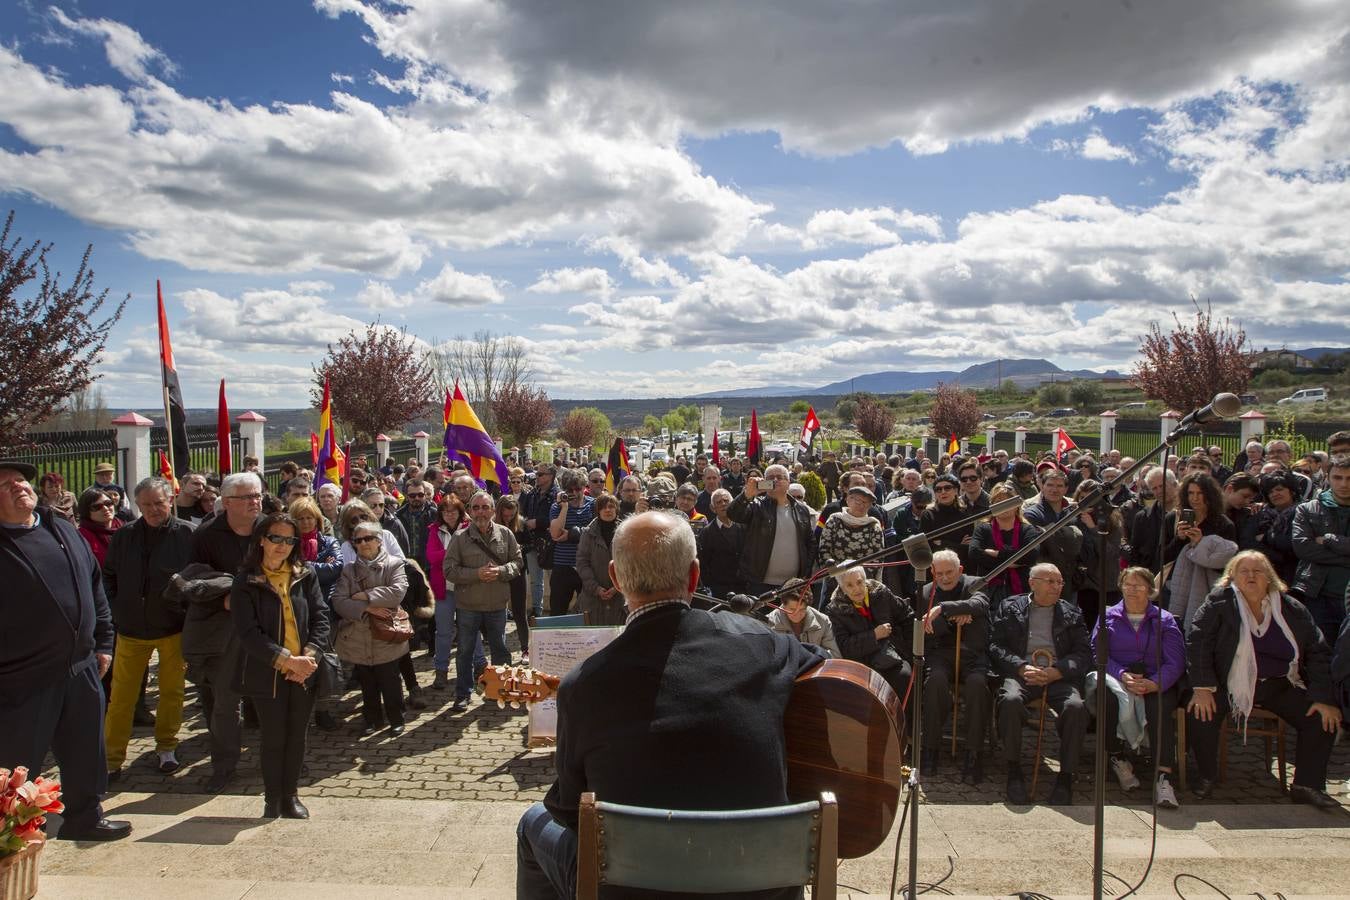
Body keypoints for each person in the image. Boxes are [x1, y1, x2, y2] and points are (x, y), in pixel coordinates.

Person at [516, 511, 825, 899]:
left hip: (634, 887)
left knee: (534, 822)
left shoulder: (583, 685)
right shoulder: (763, 645)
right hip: (761, 886)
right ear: (695, 576)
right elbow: (831, 670)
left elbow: (566, 810)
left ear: (615, 577)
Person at [0, 460, 130, 841]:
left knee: (85, 750)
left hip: (80, 666)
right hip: (22, 675)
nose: (18, 487)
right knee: (17, 763)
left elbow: (94, 588)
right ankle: (11, 835)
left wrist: (104, 642)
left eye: (21, 480)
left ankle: (85, 818)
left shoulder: (60, 527)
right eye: (5, 484)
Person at [1186, 551, 1340, 809]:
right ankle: (1206, 776)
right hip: (1229, 683)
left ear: (1269, 577)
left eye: (1258, 571)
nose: (1251, 576)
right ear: (1231, 577)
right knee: (1201, 712)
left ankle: (1307, 785)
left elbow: (1318, 651)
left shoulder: (1291, 609)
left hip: (1278, 683)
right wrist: (1202, 688)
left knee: (1322, 719)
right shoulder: (1218, 603)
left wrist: (1322, 697)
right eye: (1243, 571)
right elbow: (1198, 642)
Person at [230, 512, 329, 819]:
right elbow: (248, 633)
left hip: (305, 670)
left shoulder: (304, 573)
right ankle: (272, 798)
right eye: (276, 538)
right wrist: (286, 661)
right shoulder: (246, 581)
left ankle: (291, 795)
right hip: (268, 671)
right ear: (261, 539)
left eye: (289, 540)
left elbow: (321, 618)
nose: (282, 546)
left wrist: (308, 657)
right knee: (273, 737)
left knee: (297, 735)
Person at [102, 477, 196, 780]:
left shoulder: (188, 535)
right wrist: (117, 608)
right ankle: (111, 758)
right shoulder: (124, 535)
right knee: (121, 698)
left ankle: (167, 747)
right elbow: (109, 575)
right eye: (147, 505)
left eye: (159, 503)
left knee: (172, 693)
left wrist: (184, 609)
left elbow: (201, 579)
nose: (154, 510)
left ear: (170, 500)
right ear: (137, 505)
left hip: (172, 629)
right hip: (130, 629)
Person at [989, 562, 1091, 805]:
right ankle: (1013, 770)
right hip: (1022, 673)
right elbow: (995, 646)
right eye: (1050, 581)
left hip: (1057, 676)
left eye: (1059, 582)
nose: (1056, 587)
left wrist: (1058, 671)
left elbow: (1083, 653)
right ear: (1032, 583)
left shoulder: (1071, 613)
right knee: (1010, 701)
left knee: (1076, 707)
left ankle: (1066, 776)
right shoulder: (1011, 607)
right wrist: (1021, 667)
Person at [187, 471, 263, 794]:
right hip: (224, 630)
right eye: (248, 497)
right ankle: (224, 766)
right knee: (224, 703)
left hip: (266, 625)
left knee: (272, 700)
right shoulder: (206, 535)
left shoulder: (273, 528)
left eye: (258, 495)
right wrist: (225, 595)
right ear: (228, 502)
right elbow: (193, 579)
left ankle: (281, 760)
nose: (255, 501)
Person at [1087, 567, 1185, 809]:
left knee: (1159, 706)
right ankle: (1116, 756)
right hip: (1118, 677)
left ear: (1151, 590)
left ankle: (1163, 775)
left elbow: (1176, 660)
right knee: (1106, 699)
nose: (1132, 590)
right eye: (1128, 585)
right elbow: (1098, 653)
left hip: (1155, 679)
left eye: (1139, 585)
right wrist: (1122, 675)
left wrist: (1155, 683)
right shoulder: (1107, 615)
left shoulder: (1165, 619)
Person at [916, 550, 993, 783]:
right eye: (939, 574)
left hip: (973, 653)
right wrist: (959, 612)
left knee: (978, 685)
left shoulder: (975, 583)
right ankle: (930, 748)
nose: (945, 578)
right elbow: (928, 629)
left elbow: (979, 604)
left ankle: (974, 752)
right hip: (941, 653)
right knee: (934, 682)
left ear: (960, 570)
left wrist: (944, 609)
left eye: (950, 572)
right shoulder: (925, 592)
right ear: (932, 572)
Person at [445, 491, 523, 712]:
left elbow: (517, 562)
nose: (480, 512)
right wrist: (475, 574)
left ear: (492, 510)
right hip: (468, 606)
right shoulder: (460, 538)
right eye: (476, 507)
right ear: (469, 511)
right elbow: (449, 570)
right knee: (465, 652)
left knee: (500, 650)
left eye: (485, 507)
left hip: (496, 605)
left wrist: (501, 571)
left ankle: (498, 689)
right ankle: (463, 694)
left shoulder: (506, 534)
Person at [333, 520, 409, 737]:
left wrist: (364, 595)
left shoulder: (394, 564)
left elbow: (397, 593)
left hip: (387, 633)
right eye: (359, 540)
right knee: (367, 682)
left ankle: (396, 718)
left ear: (378, 540)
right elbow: (339, 601)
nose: (364, 543)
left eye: (368, 538)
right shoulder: (348, 570)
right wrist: (368, 608)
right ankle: (371, 719)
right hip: (359, 635)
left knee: (390, 679)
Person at [826, 564, 915, 698]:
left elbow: (907, 616)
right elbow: (845, 647)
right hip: (862, 664)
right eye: (849, 585)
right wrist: (874, 635)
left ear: (865, 580)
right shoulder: (835, 610)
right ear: (842, 589)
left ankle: (904, 719)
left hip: (892, 656)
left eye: (859, 582)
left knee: (905, 676)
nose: (857, 589)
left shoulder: (880, 592)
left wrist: (908, 649)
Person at [727, 464, 817, 595]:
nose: (775, 480)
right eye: (770, 477)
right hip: (759, 584)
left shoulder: (801, 509)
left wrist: (805, 573)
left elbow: (810, 542)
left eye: (780, 477)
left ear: (789, 481)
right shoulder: (756, 506)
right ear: (764, 482)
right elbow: (733, 514)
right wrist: (747, 495)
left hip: (793, 584)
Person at [1163, 473, 1237, 629]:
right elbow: (1163, 557)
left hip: (1208, 588)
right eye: (1191, 493)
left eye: (1199, 493)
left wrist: (1200, 544)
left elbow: (1227, 564)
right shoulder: (1173, 518)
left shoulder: (1223, 524)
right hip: (1175, 587)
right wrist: (1179, 538)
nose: (1195, 498)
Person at [425, 494, 484, 690]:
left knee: (472, 629)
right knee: (443, 632)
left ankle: (480, 666)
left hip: (466, 587)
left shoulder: (469, 528)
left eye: (453, 511)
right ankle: (441, 670)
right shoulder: (434, 530)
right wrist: (453, 551)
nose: (449, 515)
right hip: (444, 589)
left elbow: (471, 556)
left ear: (460, 512)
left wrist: (449, 555)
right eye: (445, 511)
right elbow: (431, 557)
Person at [1290, 454, 1350, 642]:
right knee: (1320, 652)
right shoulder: (1307, 509)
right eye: (1337, 477)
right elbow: (1303, 548)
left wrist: (1330, 540)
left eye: (1349, 478)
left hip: (1347, 596)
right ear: (1327, 477)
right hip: (1317, 594)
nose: (1343, 484)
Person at [968, 483, 1042, 603]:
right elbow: (974, 553)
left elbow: (1031, 555)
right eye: (999, 501)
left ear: (1017, 505)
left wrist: (995, 553)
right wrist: (1014, 560)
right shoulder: (983, 529)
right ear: (992, 505)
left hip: (1022, 590)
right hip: (989, 592)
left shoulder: (1027, 529)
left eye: (1008, 501)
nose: (1004, 506)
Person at [1021, 467, 1082, 601]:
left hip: (1071, 579)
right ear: (1042, 486)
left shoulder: (1073, 512)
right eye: (1050, 485)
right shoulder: (1032, 513)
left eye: (1059, 486)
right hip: (1043, 580)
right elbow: (1040, 546)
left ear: (1066, 489)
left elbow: (1080, 546)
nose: (1054, 490)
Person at [548, 469, 595, 617]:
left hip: (587, 565)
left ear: (584, 487)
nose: (574, 492)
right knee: (558, 611)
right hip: (563, 565)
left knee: (589, 610)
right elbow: (555, 534)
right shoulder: (557, 507)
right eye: (570, 489)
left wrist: (572, 534)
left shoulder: (593, 505)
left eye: (578, 489)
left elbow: (596, 533)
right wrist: (565, 508)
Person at [576, 492, 625, 626]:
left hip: (620, 598)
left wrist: (618, 587)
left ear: (617, 509)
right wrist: (596, 588)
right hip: (592, 599)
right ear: (598, 510)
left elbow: (631, 563)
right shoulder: (587, 533)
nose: (607, 510)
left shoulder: (626, 533)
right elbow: (582, 563)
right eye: (603, 507)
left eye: (611, 506)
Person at [818, 485, 884, 577]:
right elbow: (824, 550)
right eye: (858, 501)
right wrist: (838, 574)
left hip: (863, 579)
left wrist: (857, 575)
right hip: (836, 577)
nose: (862, 505)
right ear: (848, 500)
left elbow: (878, 557)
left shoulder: (873, 526)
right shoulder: (834, 520)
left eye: (866, 503)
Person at [495, 494, 532, 661]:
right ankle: (499, 651)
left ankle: (526, 649)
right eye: (505, 516)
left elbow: (530, 543)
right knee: (496, 612)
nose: (508, 519)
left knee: (519, 612)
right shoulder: (493, 526)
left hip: (517, 570)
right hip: (498, 570)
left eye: (512, 515)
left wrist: (520, 547)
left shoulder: (522, 524)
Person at [766, 577, 840, 657]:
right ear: (783, 605)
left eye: (802, 610)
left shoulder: (823, 621)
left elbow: (834, 656)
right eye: (792, 609)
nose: (797, 614)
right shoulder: (768, 624)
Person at [696, 488, 746, 599]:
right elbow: (703, 563)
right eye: (719, 502)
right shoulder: (707, 532)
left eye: (726, 501)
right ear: (713, 508)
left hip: (744, 587)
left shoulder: (743, 526)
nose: (723, 504)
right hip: (720, 591)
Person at [77, 487, 123, 568]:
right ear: (86, 512)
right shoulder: (82, 536)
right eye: (96, 507)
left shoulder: (125, 527)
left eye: (108, 503)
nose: (105, 508)